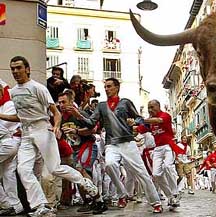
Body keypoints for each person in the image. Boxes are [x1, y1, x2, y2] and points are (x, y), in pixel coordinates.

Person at [0, 56, 98, 217]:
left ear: (27, 69)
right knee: (23, 170)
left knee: (54, 168)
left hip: (43, 130)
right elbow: (20, 116)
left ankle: (84, 182)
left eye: (18, 68)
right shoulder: (14, 92)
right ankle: (41, 205)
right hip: (26, 133)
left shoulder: (38, 88)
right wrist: (1, 116)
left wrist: (56, 126)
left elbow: (56, 112)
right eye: (13, 69)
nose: (15, 71)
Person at [70, 78, 163, 213]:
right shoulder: (101, 106)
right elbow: (91, 123)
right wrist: (78, 116)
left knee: (141, 172)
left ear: (117, 87)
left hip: (128, 142)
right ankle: (122, 194)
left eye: (109, 86)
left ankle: (156, 202)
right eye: (105, 87)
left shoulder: (125, 103)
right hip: (111, 143)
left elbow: (139, 118)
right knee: (109, 164)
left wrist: (134, 122)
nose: (106, 89)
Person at [57, 90, 107, 214]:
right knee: (77, 175)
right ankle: (88, 201)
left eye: (64, 102)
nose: (61, 105)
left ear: (71, 102)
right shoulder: (60, 117)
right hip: (74, 149)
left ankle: (97, 199)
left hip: (87, 145)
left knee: (82, 171)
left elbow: (93, 129)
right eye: (59, 103)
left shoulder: (79, 113)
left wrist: (76, 131)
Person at [135, 100, 182, 210]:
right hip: (157, 149)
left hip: (168, 147)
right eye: (148, 108)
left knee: (168, 166)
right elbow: (137, 130)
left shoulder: (165, 115)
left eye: (152, 107)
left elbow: (158, 120)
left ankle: (175, 193)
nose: (150, 110)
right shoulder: (149, 123)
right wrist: (126, 125)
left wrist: (141, 120)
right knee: (156, 175)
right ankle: (170, 197)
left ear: (158, 106)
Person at [0, 81, 24, 216]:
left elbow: (4, 126)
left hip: (9, 143)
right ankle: (14, 205)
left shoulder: (9, 105)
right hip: (8, 143)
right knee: (8, 175)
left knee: (8, 175)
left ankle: (7, 204)